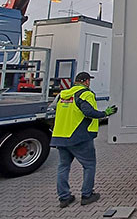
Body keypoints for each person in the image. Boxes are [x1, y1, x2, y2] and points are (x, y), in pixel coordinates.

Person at [50, 71, 118, 208]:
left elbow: (54, 110)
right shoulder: (85, 94)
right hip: (79, 137)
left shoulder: (63, 95)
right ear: (86, 81)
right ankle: (87, 195)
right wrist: (105, 113)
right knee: (89, 165)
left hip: (60, 136)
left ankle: (64, 197)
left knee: (63, 167)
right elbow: (88, 112)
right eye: (89, 81)